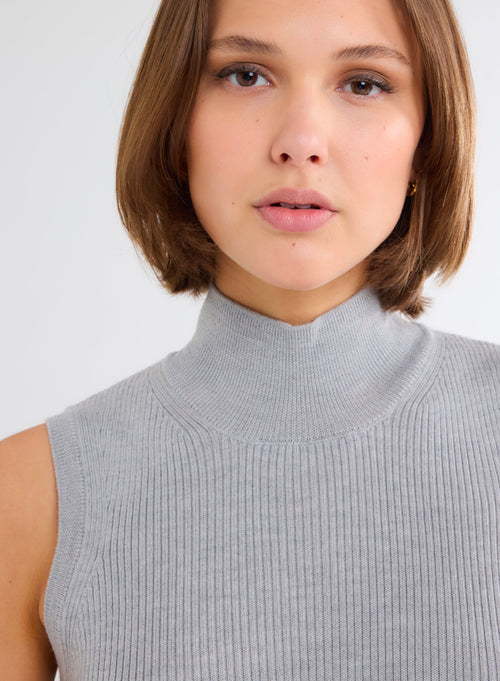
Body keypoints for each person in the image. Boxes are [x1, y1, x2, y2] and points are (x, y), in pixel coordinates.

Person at [1, 0, 498, 678]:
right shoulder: (33, 494)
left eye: (364, 83)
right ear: (176, 123)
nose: (301, 141)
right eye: (245, 75)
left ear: (427, 142)